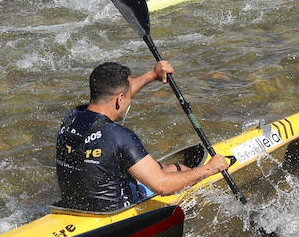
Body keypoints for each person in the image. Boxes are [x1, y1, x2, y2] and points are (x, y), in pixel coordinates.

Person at [55, 61, 231, 213]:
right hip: (118, 211)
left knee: (159, 167)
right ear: (119, 99)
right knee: (178, 171)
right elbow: (162, 186)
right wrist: (210, 169)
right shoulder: (119, 136)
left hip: (76, 205)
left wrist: (153, 75)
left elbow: (121, 94)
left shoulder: (71, 117)